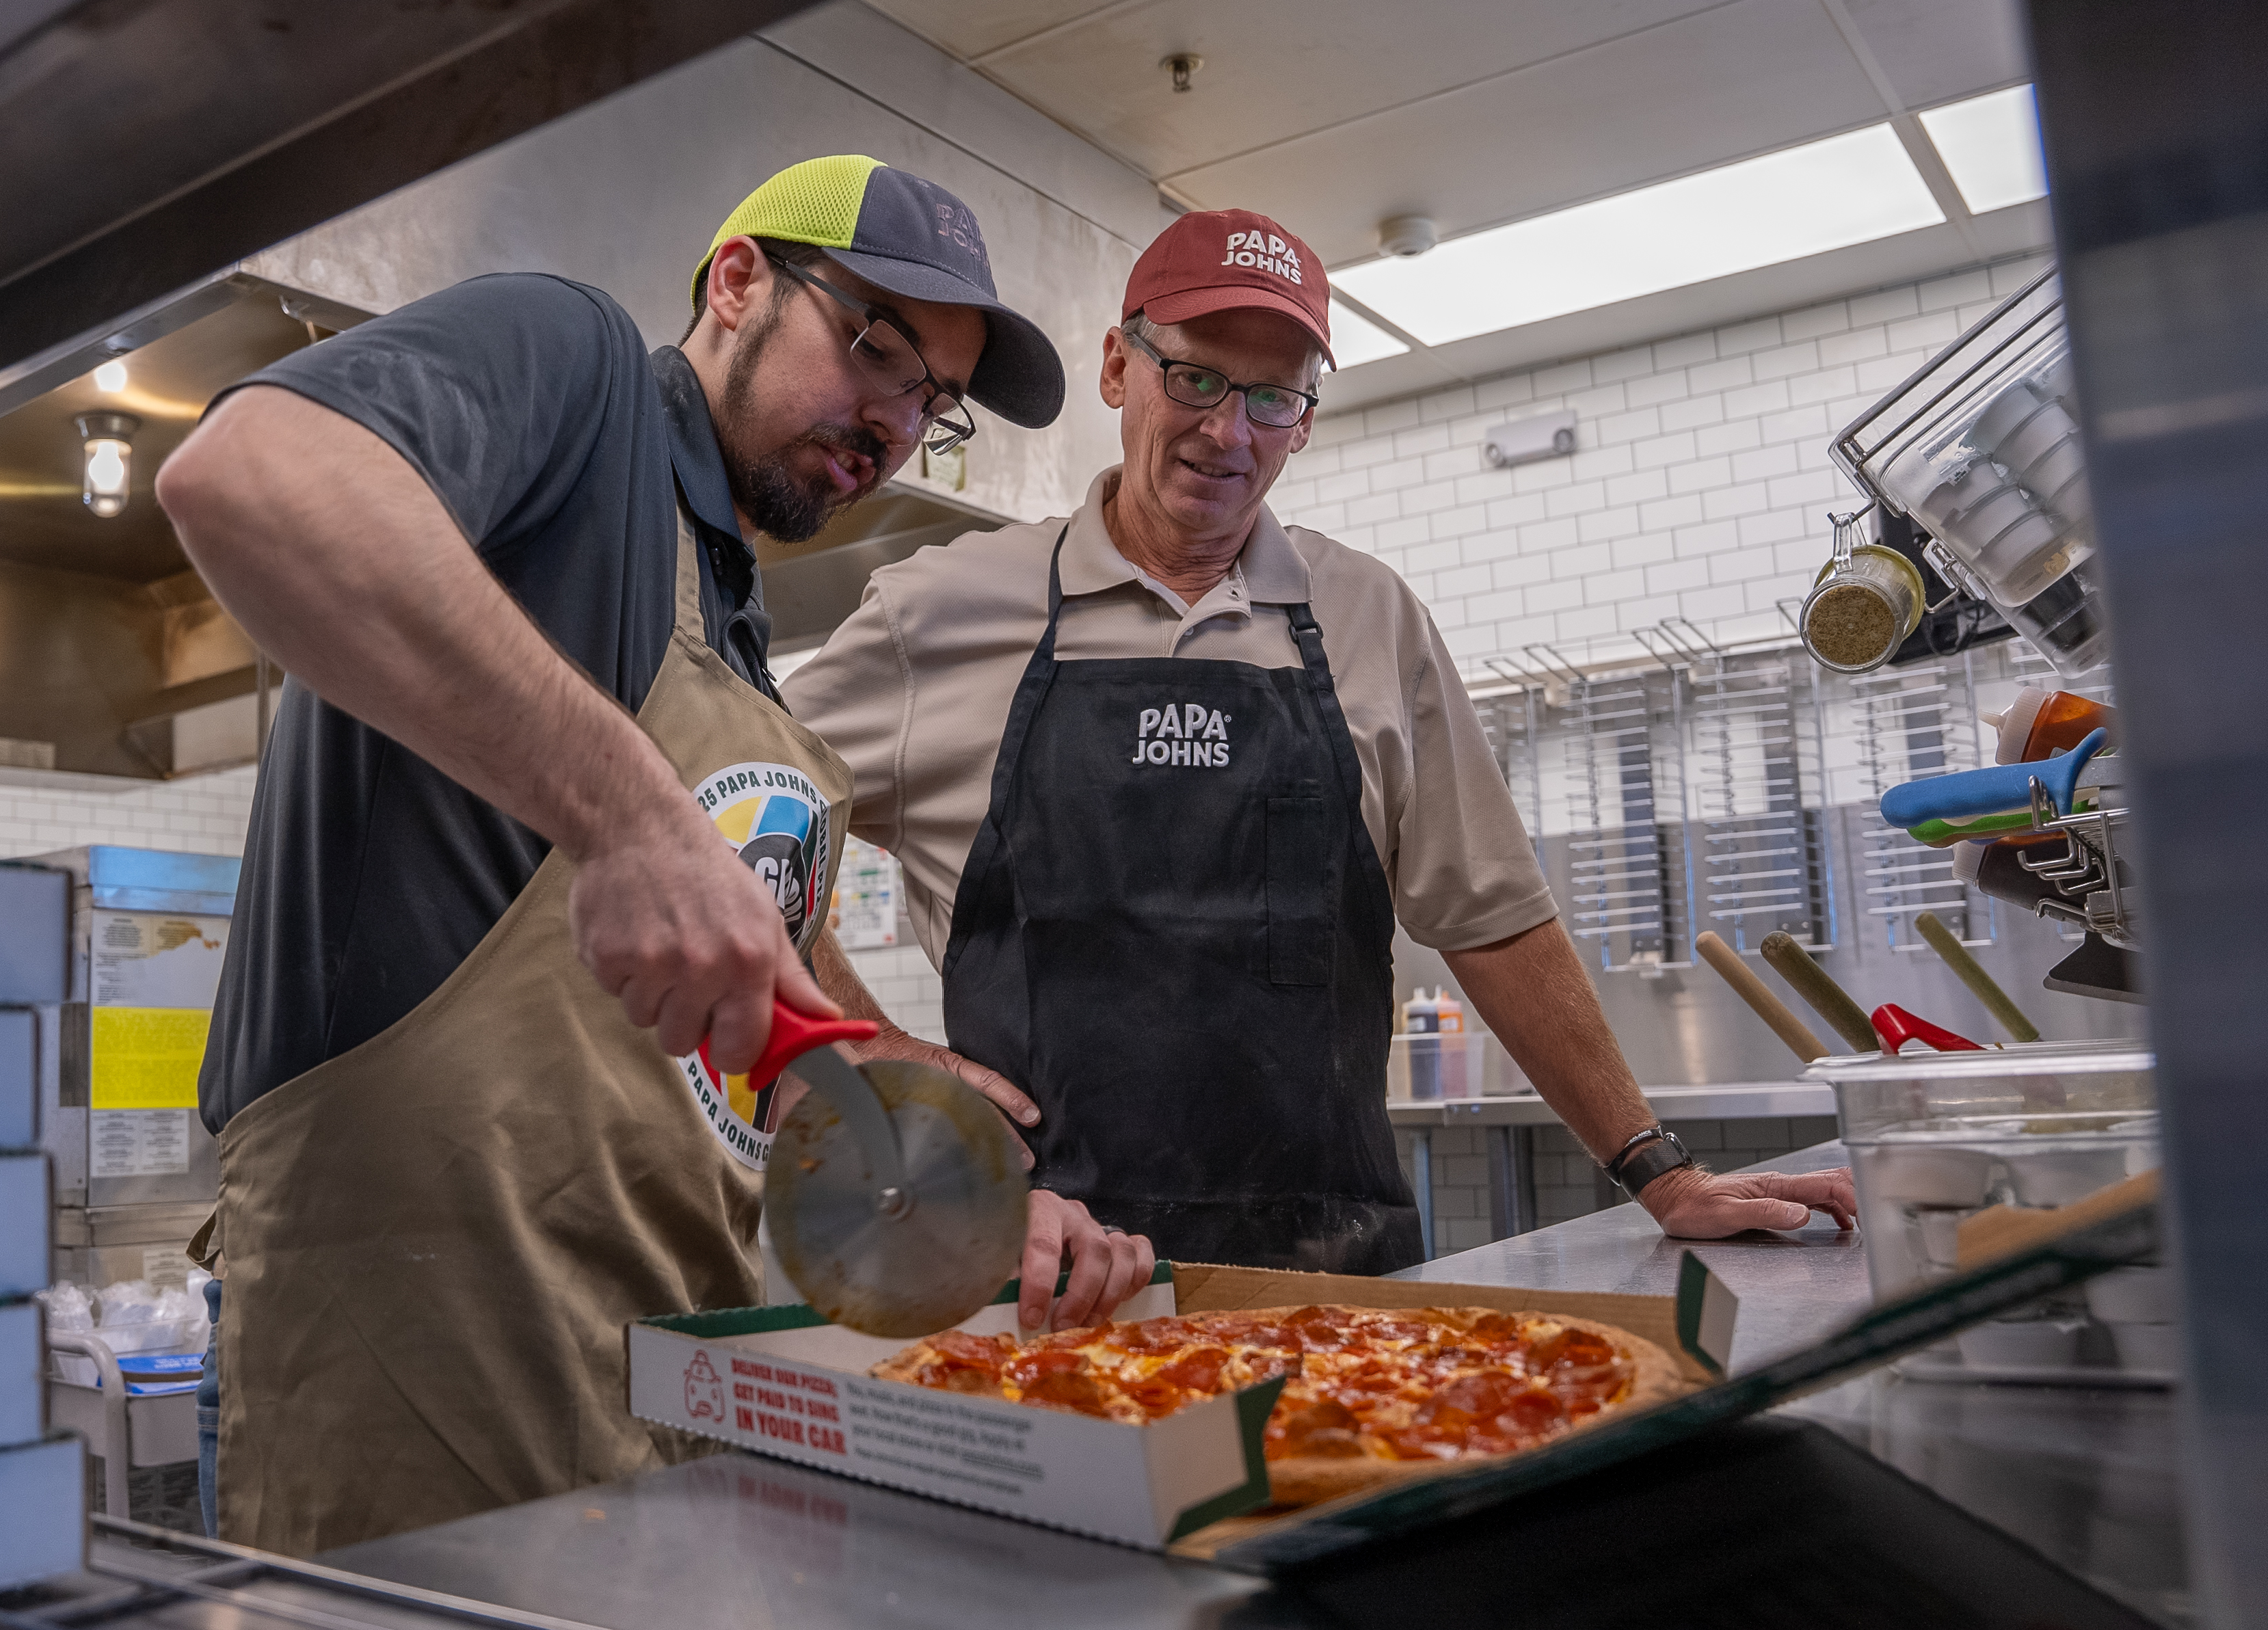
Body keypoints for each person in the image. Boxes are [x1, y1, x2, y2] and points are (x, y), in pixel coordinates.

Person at [156, 156, 1152, 1555]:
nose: (893, 419)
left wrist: (949, 1182)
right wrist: (631, 819)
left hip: (662, 1386)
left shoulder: (736, 629)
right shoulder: (573, 372)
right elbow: (255, 474)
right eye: (876, 345)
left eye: (933, 401)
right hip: (410, 1362)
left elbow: (738, 1011)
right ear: (737, 281)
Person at [784, 209, 1858, 1275]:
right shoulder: (941, 613)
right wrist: (864, 1048)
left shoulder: (1370, 617)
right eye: (1195, 379)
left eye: (1272, 398)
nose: (1228, 433)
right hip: (1036, 1275)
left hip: (1331, 1288)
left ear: (1304, 420)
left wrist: (1658, 1168)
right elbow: (733, 824)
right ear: (1118, 367)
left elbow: (1492, 920)